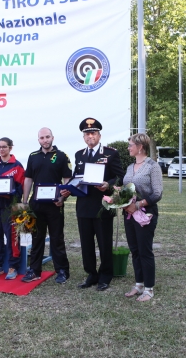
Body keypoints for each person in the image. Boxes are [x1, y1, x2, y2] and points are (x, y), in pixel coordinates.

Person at [63, 118, 124, 291]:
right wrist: (69, 187)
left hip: (102, 205)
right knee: (86, 243)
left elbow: (120, 177)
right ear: (84, 137)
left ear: (99, 135)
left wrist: (108, 184)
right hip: (83, 205)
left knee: (104, 242)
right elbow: (77, 176)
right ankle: (91, 274)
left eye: (93, 133)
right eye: (87, 134)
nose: (90, 136)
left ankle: (105, 275)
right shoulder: (79, 155)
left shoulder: (111, 154)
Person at [21, 127, 72, 284]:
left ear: (53, 138)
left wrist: (62, 198)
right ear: (38, 140)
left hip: (55, 204)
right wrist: (24, 201)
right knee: (36, 238)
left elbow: (67, 179)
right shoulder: (33, 156)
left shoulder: (62, 156)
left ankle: (62, 270)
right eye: (42, 138)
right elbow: (28, 179)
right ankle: (34, 270)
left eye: (47, 137)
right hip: (36, 205)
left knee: (57, 238)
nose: (45, 140)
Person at [122, 133, 163, 302]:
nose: (128, 147)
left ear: (140, 147)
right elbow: (126, 188)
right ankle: (139, 284)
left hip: (145, 213)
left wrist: (138, 205)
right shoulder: (130, 167)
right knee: (134, 250)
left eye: (131, 144)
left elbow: (158, 193)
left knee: (145, 251)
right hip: (129, 215)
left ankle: (149, 289)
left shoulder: (153, 166)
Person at [0, 137, 26, 280]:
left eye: (4, 147)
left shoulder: (17, 165)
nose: (1, 149)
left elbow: (21, 188)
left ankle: (13, 266)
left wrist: (10, 194)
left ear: (11, 147)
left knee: (12, 237)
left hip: (10, 208)